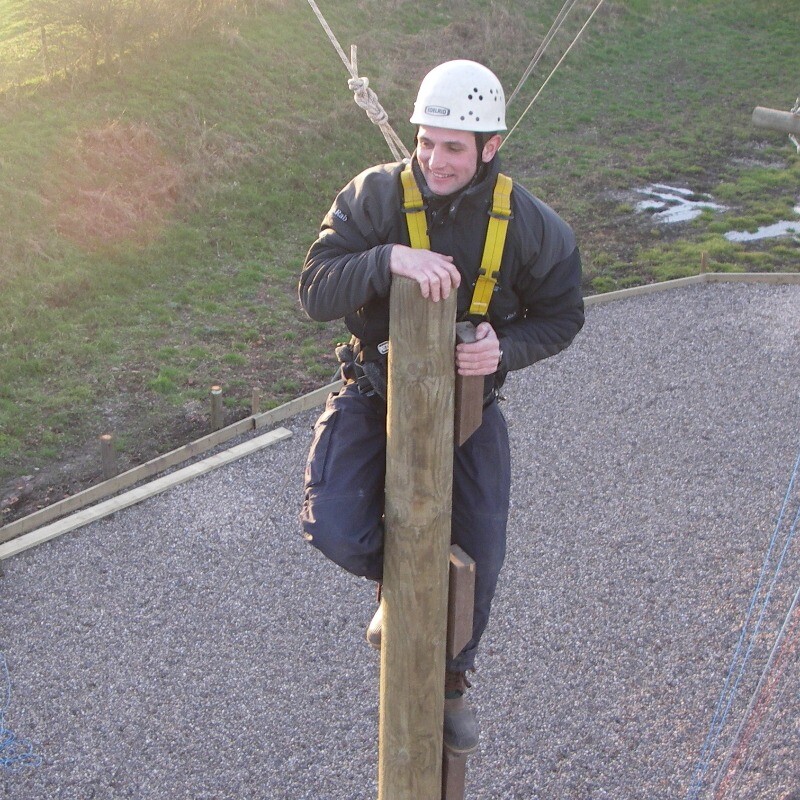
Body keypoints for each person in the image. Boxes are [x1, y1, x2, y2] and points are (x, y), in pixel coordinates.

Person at [298, 60, 584, 754]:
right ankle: (398, 593)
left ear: (490, 146)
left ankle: (450, 679)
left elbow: (563, 316)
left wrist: (503, 349)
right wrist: (386, 259)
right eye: (426, 142)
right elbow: (314, 291)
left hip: (469, 405)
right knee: (336, 525)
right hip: (375, 391)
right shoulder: (375, 197)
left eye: (453, 146)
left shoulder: (531, 226)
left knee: (481, 551)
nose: (434, 159)